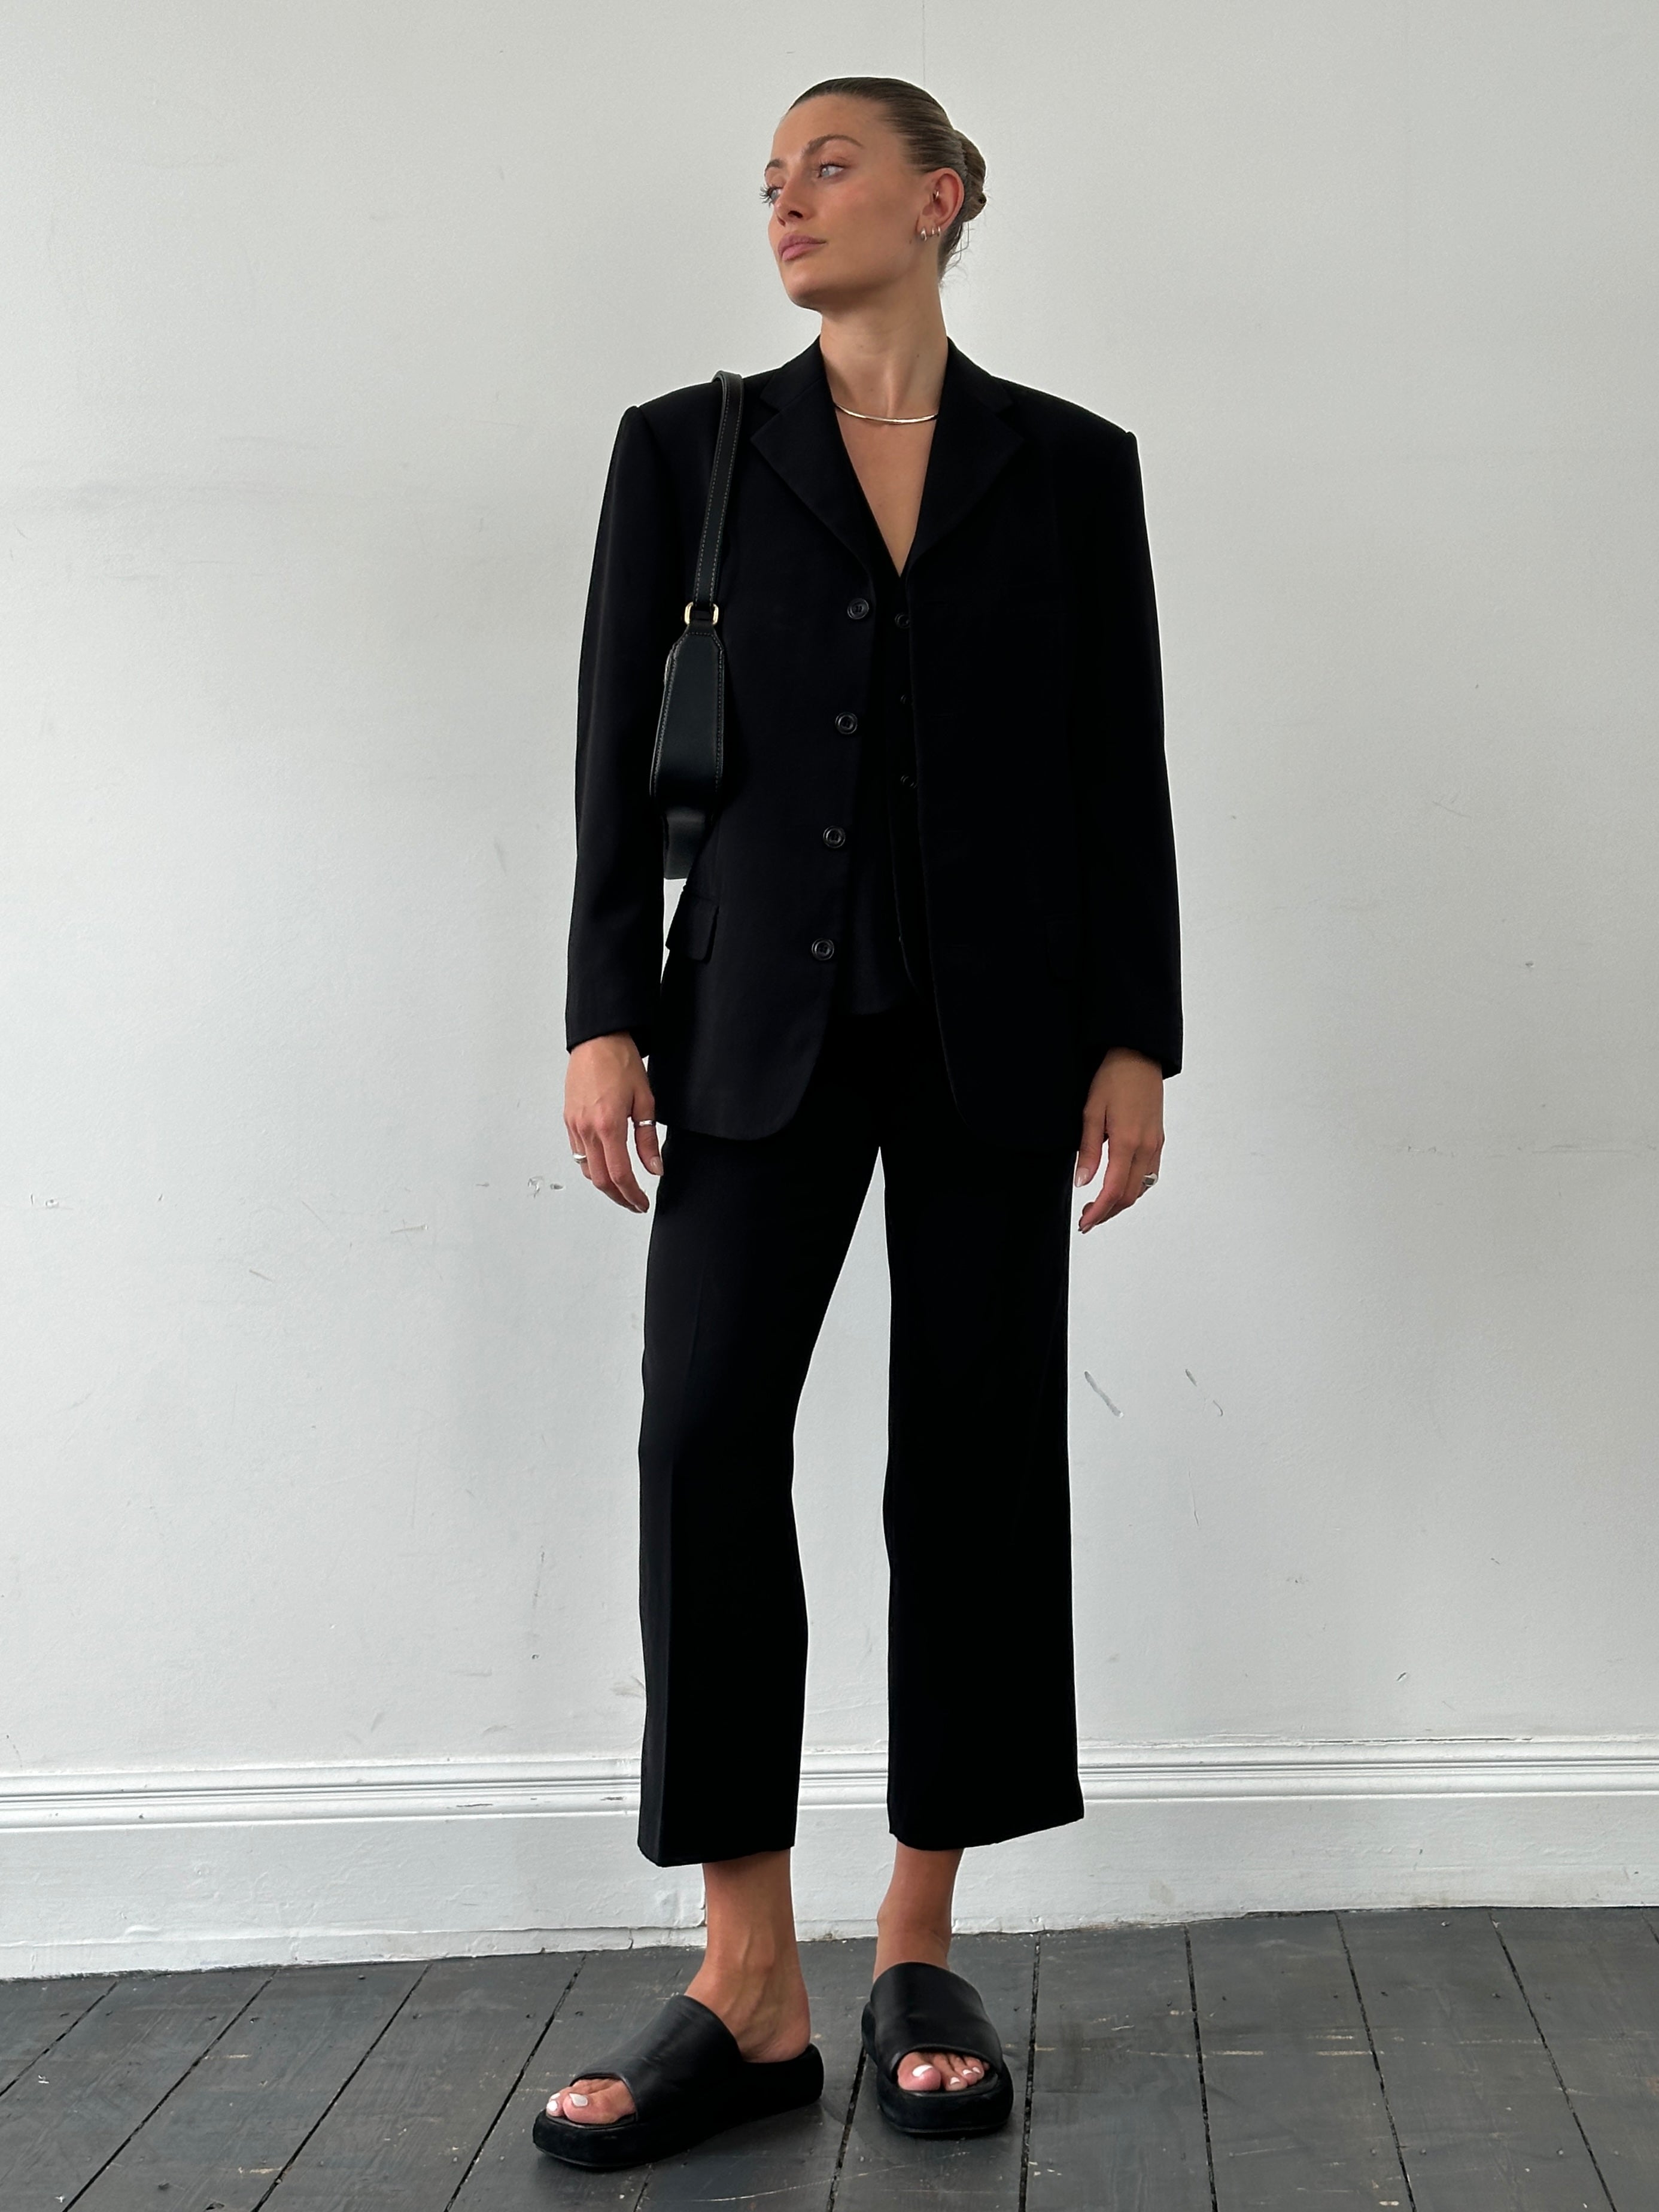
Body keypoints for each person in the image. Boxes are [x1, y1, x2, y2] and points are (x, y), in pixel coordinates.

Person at [536, 74, 1180, 2171]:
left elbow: (1114, 761)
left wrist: (1136, 1036)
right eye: (769, 180)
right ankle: (748, 1976)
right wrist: (600, 1016)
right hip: (743, 1024)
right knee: (706, 1440)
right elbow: (613, 750)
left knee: (972, 1460)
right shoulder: (690, 447)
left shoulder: (1066, 466)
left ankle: (916, 1944)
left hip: (1001, 1035)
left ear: (941, 193)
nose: (787, 202)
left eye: (829, 165)